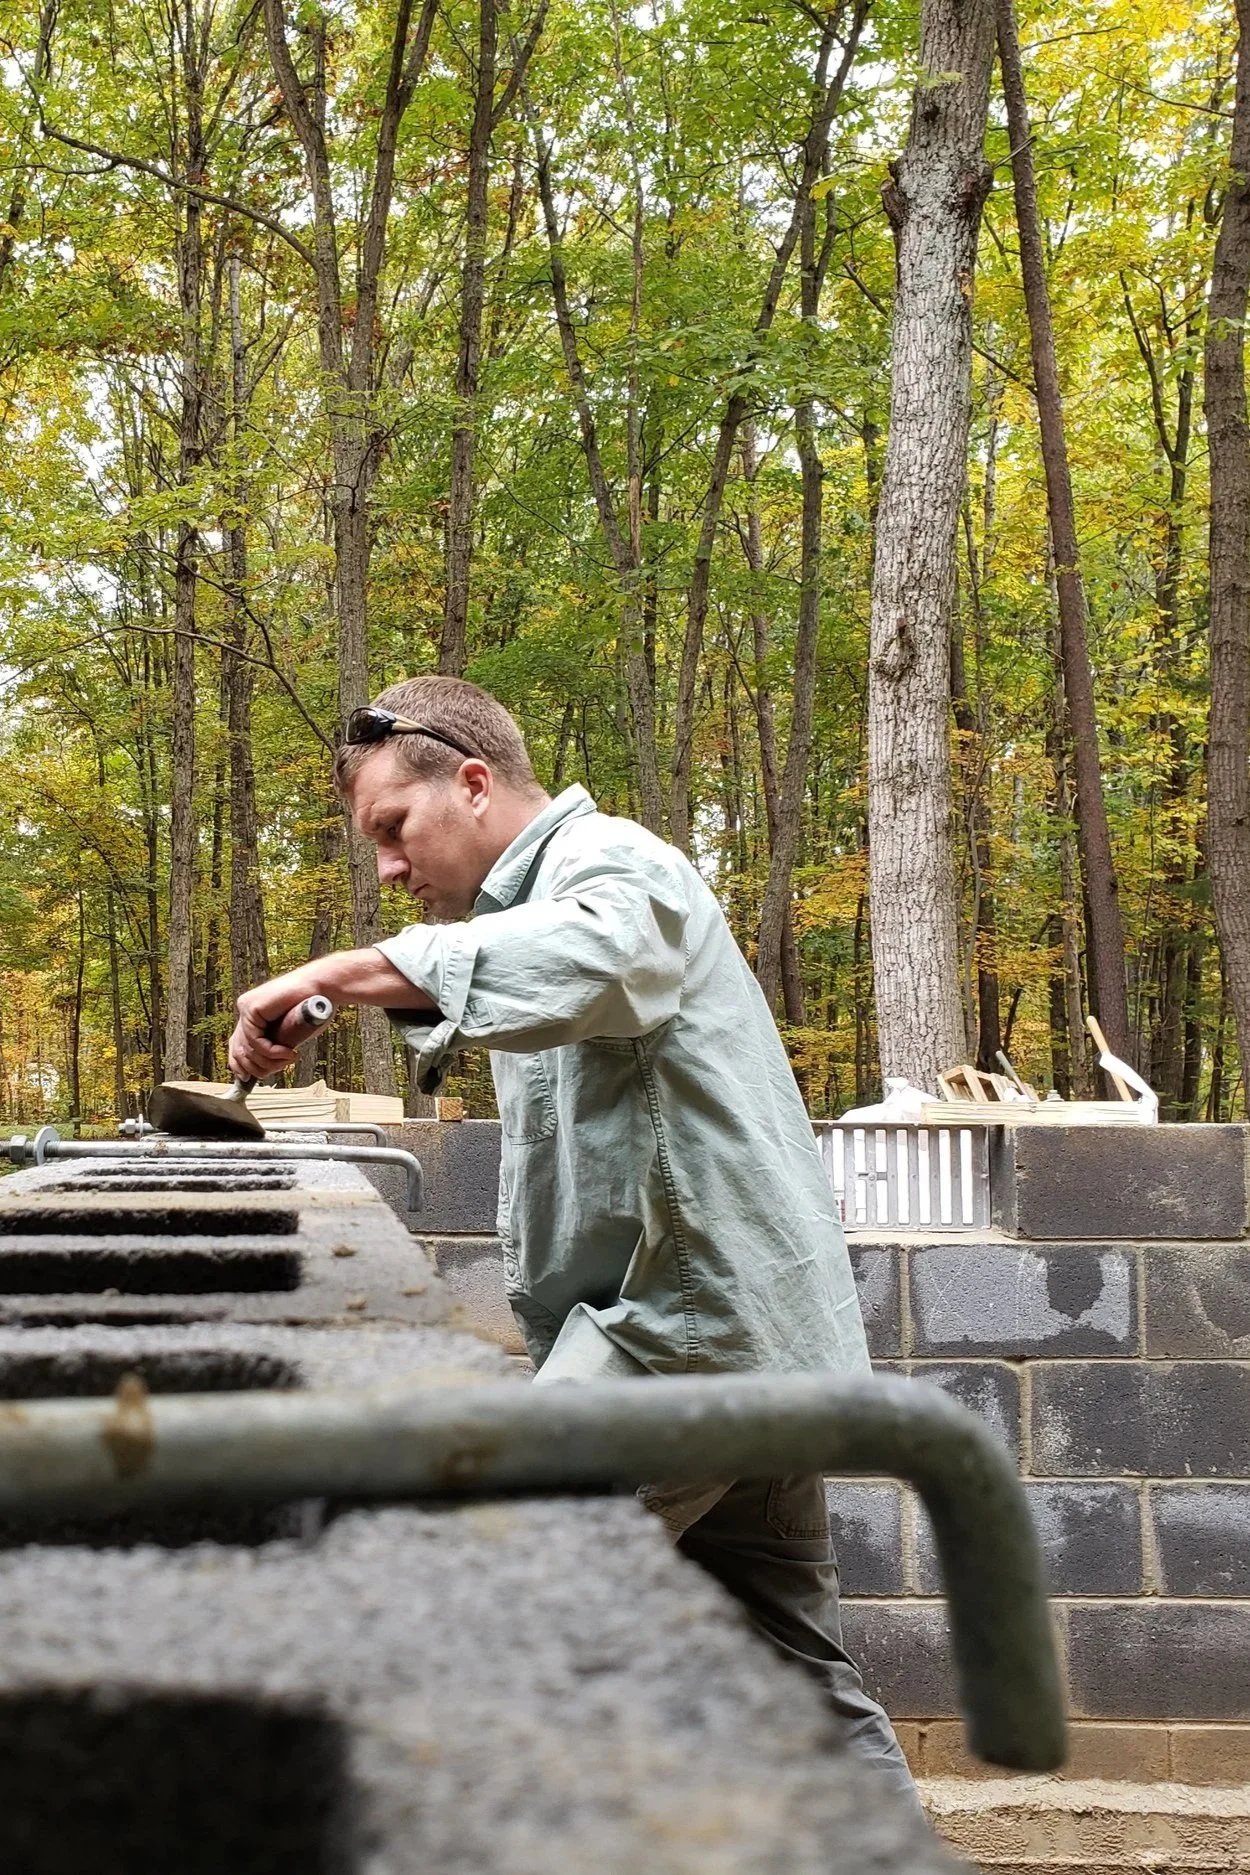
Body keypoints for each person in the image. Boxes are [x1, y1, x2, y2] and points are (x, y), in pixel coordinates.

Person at [227, 673, 917, 1804]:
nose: (391, 870)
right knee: (790, 1683)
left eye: (393, 832)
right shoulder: (525, 917)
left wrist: (345, 972)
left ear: (473, 781)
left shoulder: (612, 863)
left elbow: (604, 956)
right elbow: (552, 984)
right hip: (727, 1345)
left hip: (682, 1345)